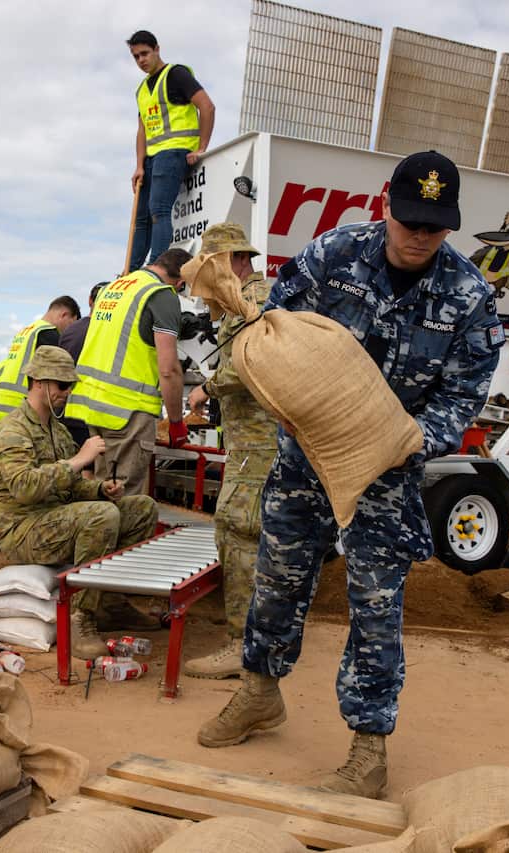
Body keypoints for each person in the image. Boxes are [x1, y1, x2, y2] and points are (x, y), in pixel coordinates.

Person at [196, 151, 504, 800]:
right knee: (276, 581)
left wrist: (414, 436)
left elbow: (462, 396)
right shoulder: (333, 256)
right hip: (305, 458)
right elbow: (275, 325)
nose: (419, 234)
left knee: (375, 608)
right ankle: (259, 692)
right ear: (386, 206)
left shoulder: (471, 298)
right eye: (410, 219)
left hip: (388, 475)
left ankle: (369, 750)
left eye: (435, 224)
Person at [0, 346, 161, 657]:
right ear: (39, 382)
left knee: (142, 509)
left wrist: (99, 490)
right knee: (102, 517)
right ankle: (81, 618)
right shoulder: (12, 431)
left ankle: (110, 601)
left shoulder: (59, 431)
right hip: (24, 529)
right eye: (62, 386)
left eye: (71, 386)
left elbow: (72, 487)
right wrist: (79, 460)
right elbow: (24, 488)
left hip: (56, 519)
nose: (67, 393)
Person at [183, 223, 278, 679]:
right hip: (256, 444)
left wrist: (207, 388)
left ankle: (242, 647)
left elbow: (248, 362)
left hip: (258, 447)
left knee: (237, 531)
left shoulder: (252, 302)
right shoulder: (255, 298)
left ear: (232, 262)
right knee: (254, 537)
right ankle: (258, 642)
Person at [66, 248, 192, 496]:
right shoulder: (161, 294)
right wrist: (176, 422)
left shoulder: (115, 287)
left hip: (95, 408)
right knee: (123, 497)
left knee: (103, 490)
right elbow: (168, 369)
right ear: (181, 281)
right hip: (128, 412)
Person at [126, 30, 215, 272]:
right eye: (136, 57)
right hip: (152, 158)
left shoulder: (176, 74)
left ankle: (156, 268)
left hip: (174, 152)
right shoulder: (142, 90)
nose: (141, 60)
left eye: (145, 53)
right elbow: (142, 131)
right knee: (141, 219)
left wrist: (202, 148)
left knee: (158, 211)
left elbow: (206, 106)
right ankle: (130, 271)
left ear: (157, 49)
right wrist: (139, 165)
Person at [0, 296, 81, 423]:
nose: (69, 330)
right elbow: (57, 373)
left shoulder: (26, 332)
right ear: (64, 315)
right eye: (71, 324)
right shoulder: (48, 333)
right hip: (22, 408)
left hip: (1, 404)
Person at [59, 283, 108, 450]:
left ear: (89, 301)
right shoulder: (105, 331)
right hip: (92, 412)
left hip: (68, 409)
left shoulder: (71, 330)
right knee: (90, 468)